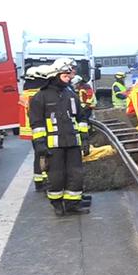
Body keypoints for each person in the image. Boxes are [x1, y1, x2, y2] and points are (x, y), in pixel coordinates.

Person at [29, 59, 90, 215]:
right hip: (52, 145)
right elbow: (37, 124)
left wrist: (84, 138)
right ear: (55, 75)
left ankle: (72, 204)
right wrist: (40, 144)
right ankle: (57, 204)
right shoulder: (40, 97)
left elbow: (81, 118)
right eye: (65, 75)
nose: (69, 77)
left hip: (72, 143)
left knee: (76, 174)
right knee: (56, 176)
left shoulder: (71, 94)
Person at [18, 65, 51, 192]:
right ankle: (44, 180)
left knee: (38, 155)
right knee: (44, 155)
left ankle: (39, 181)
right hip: (39, 128)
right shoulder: (36, 94)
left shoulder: (25, 93)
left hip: (31, 129)